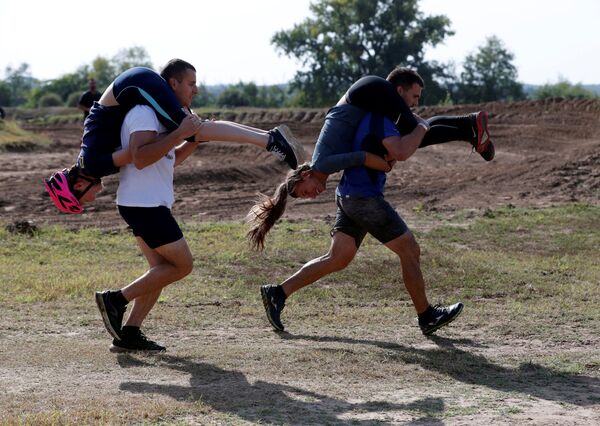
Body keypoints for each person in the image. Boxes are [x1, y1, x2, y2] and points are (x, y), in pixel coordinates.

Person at [254, 108, 464, 336]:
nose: (312, 195)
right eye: (308, 196)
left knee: (337, 258)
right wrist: (385, 164)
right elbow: (360, 156)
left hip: (348, 197)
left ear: (305, 176)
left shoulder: (321, 162)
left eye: (306, 192)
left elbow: (358, 155)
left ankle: (278, 294)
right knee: (409, 249)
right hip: (361, 198)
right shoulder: (323, 163)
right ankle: (427, 316)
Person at [44, 62, 304, 214]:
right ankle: (269, 138)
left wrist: (181, 133)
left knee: (196, 129)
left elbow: (138, 156)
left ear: (78, 187)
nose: (90, 201)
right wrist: (182, 134)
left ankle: (270, 141)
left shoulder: (94, 165)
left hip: (134, 86)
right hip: (133, 85)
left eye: (83, 201)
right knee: (196, 128)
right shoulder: (87, 161)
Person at [93, 59, 211, 352]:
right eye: (191, 83)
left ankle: (130, 333)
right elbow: (142, 157)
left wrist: (192, 140)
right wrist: (179, 134)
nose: (195, 90)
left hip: (147, 203)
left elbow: (168, 160)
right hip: (143, 204)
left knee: (159, 268)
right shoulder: (144, 112)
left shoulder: (162, 116)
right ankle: (115, 299)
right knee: (182, 265)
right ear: (172, 84)